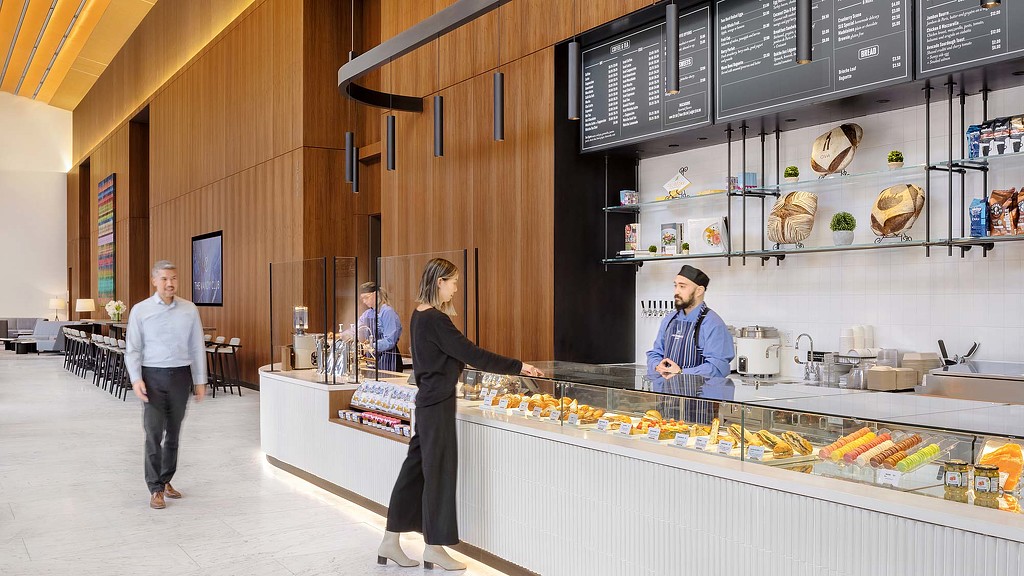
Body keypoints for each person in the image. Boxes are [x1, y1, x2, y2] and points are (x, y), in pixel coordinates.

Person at [377, 258, 543, 570]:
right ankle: (434, 548)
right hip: (437, 405)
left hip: (426, 404)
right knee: (438, 475)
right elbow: (472, 354)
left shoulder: (419, 315)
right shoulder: (436, 320)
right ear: (439, 281)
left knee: (414, 473)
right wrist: (518, 366)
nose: (456, 287)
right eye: (452, 281)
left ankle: (390, 541)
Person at [124, 260, 207, 510]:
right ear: (154, 281)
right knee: (153, 432)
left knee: (173, 434)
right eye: (164, 279)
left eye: (174, 278)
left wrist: (200, 380)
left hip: (180, 376)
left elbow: (196, 346)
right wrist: (136, 378)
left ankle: (166, 479)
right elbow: (133, 349)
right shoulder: (140, 310)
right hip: (152, 377)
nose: (170, 283)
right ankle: (155, 488)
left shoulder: (189, 309)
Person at [646, 265, 734, 380]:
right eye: (675, 286)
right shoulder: (669, 320)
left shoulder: (713, 324)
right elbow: (655, 353)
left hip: (699, 395)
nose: (676, 291)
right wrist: (657, 365)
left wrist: (681, 372)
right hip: (668, 394)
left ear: (699, 291)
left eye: (682, 287)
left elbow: (717, 368)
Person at [351, 281, 403, 372]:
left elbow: (390, 341)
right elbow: (356, 328)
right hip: (373, 360)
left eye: (366, 298)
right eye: (362, 299)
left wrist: (370, 346)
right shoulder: (367, 314)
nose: (364, 301)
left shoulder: (387, 312)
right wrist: (341, 335)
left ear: (375, 295)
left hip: (389, 360)